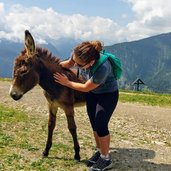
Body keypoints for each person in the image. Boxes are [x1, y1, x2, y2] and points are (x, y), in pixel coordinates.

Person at [53, 41, 119, 171]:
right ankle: (100, 152)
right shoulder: (78, 55)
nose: (75, 65)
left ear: (91, 62)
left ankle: (106, 159)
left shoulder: (103, 68)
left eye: (79, 65)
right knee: (94, 123)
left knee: (101, 125)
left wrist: (67, 82)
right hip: (93, 94)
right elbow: (68, 64)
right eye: (75, 60)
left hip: (107, 95)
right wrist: (51, 68)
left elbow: (85, 87)